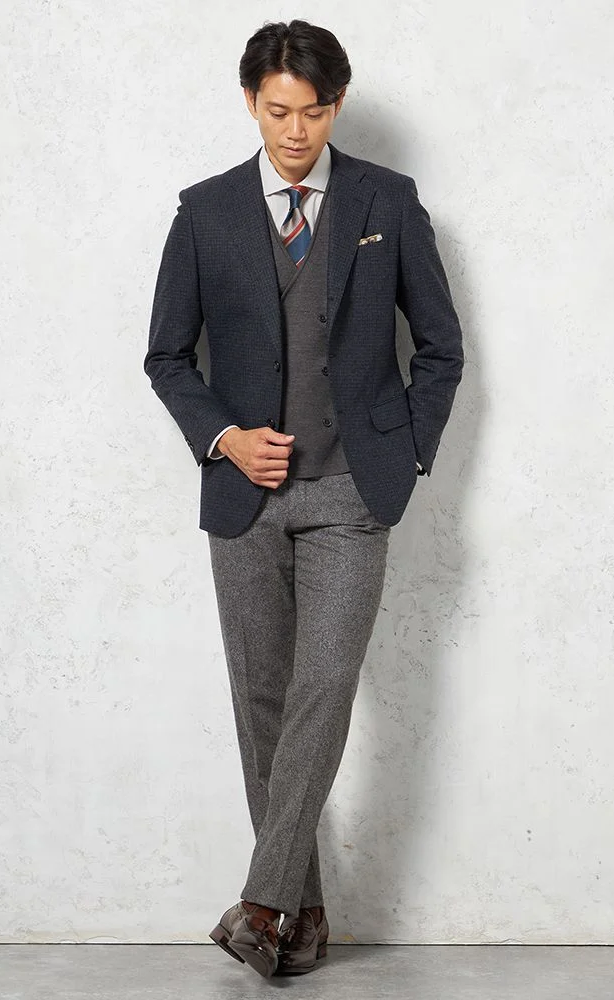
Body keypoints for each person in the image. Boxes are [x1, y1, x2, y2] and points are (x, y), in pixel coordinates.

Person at [144, 18, 464, 980]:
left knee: (323, 688)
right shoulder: (204, 212)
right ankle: (304, 914)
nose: (296, 131)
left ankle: (259, 903)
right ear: (252, 102)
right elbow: (167, 357)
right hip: (244, 497)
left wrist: (405, 450)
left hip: (351, 494)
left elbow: (440, 348)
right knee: (262, 701)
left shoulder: (386, 200)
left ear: (337, 104)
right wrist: (225, 438)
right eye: (279, 110)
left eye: (314, 111)